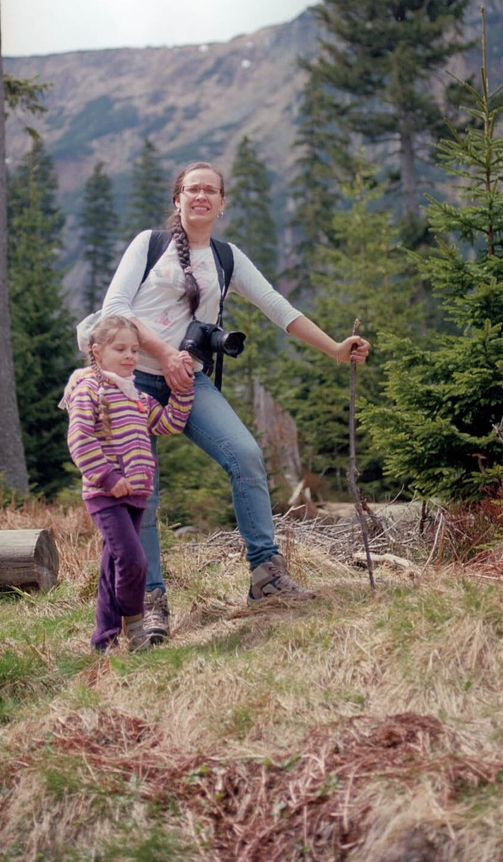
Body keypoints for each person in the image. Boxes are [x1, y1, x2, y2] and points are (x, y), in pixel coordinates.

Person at [100, 160, 370, 643]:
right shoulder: (149, 245)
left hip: (190, 383)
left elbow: (277, 307)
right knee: (143, 489)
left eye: (211, 190)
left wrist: (333, 348)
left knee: (244, 455)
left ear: (222, 204)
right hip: (131, 382)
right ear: (177, 199)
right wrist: (164, 352)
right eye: (192, 189)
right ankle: (149, 604)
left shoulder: (226, 257)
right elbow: (114, 310)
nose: (201, 197)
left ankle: (266, 575)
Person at [61, 314, 194, 652]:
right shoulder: (88, 389)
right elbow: (79, 439)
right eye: (120, 348)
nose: (130, 356)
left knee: (111, 568)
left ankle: (103, 641)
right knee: (134, 562)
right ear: (96, 351)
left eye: (134, 350)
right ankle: (136, 631)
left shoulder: (136, 395)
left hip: (135, 495)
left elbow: (168, 424)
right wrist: (108, 477)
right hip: (105, 495)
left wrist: (184, 388)